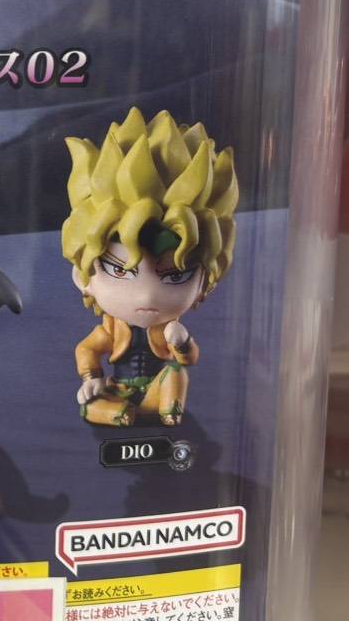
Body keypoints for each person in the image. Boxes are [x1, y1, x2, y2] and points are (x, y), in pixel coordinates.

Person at [61, 107, 238, 427]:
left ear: (205, 282)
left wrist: (182, 342)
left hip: (159, 391)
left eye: (176, 275)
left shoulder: (168, 329)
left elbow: (189, 359)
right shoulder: (112, 330)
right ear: (82, 276)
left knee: (175, 372)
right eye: (119, 271)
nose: (146, 295)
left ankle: (170, 412)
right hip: (118, 391)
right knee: (91, 405)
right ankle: (118, 414)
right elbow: (87, 349)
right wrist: (92, 377)